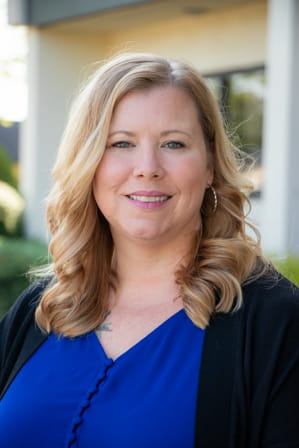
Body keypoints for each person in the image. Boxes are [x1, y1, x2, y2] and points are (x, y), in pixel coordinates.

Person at [0, 52, 298, 448]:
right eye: (120, 143)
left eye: (173, 143)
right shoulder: (41, 309)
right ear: (87, 164)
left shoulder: (274, 322)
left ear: (209, 164)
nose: (147, 167)